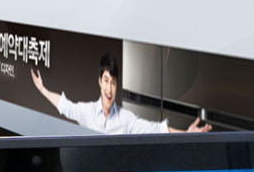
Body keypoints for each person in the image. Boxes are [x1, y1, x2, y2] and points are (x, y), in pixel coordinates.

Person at [31, 53, 211, 135]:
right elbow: (65, 106)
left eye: (114, 83)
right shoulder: (87, 112)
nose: (109, 89)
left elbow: (157, 129)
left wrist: (187, 133)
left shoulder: (126, 119)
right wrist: (42, 89)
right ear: (100, 82)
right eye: (106, 81)